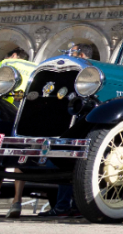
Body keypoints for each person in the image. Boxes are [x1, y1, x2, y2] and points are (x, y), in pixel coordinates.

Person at [38, 44, 95, 218]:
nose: (70, 56)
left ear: (83, 55)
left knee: (69, 160)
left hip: (78, 125)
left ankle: (66, 206)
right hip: (60, 124)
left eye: (74, 53)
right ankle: (62, 205)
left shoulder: (91, 75)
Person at [0, 48, 34, 219]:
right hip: (24, 114)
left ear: (13, 55)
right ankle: (16, 202)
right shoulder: (34, 67)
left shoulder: (6, 64)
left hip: (3, 114)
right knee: (19, 159)